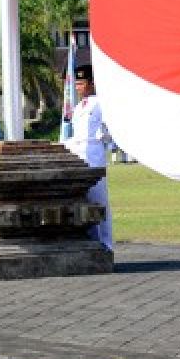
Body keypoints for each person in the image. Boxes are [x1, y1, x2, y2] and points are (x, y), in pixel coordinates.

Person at [60, 64, 113, 251]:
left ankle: (106, 244)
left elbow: (110, 128)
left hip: (94, 154)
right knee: (86, 201)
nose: (78, 87)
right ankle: (92, 241)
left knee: (100, 201)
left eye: (82, 83)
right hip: (78, 156)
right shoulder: (77, 108)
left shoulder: (100, 103)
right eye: (77, 83)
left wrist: (105, 138)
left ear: (92, 84)